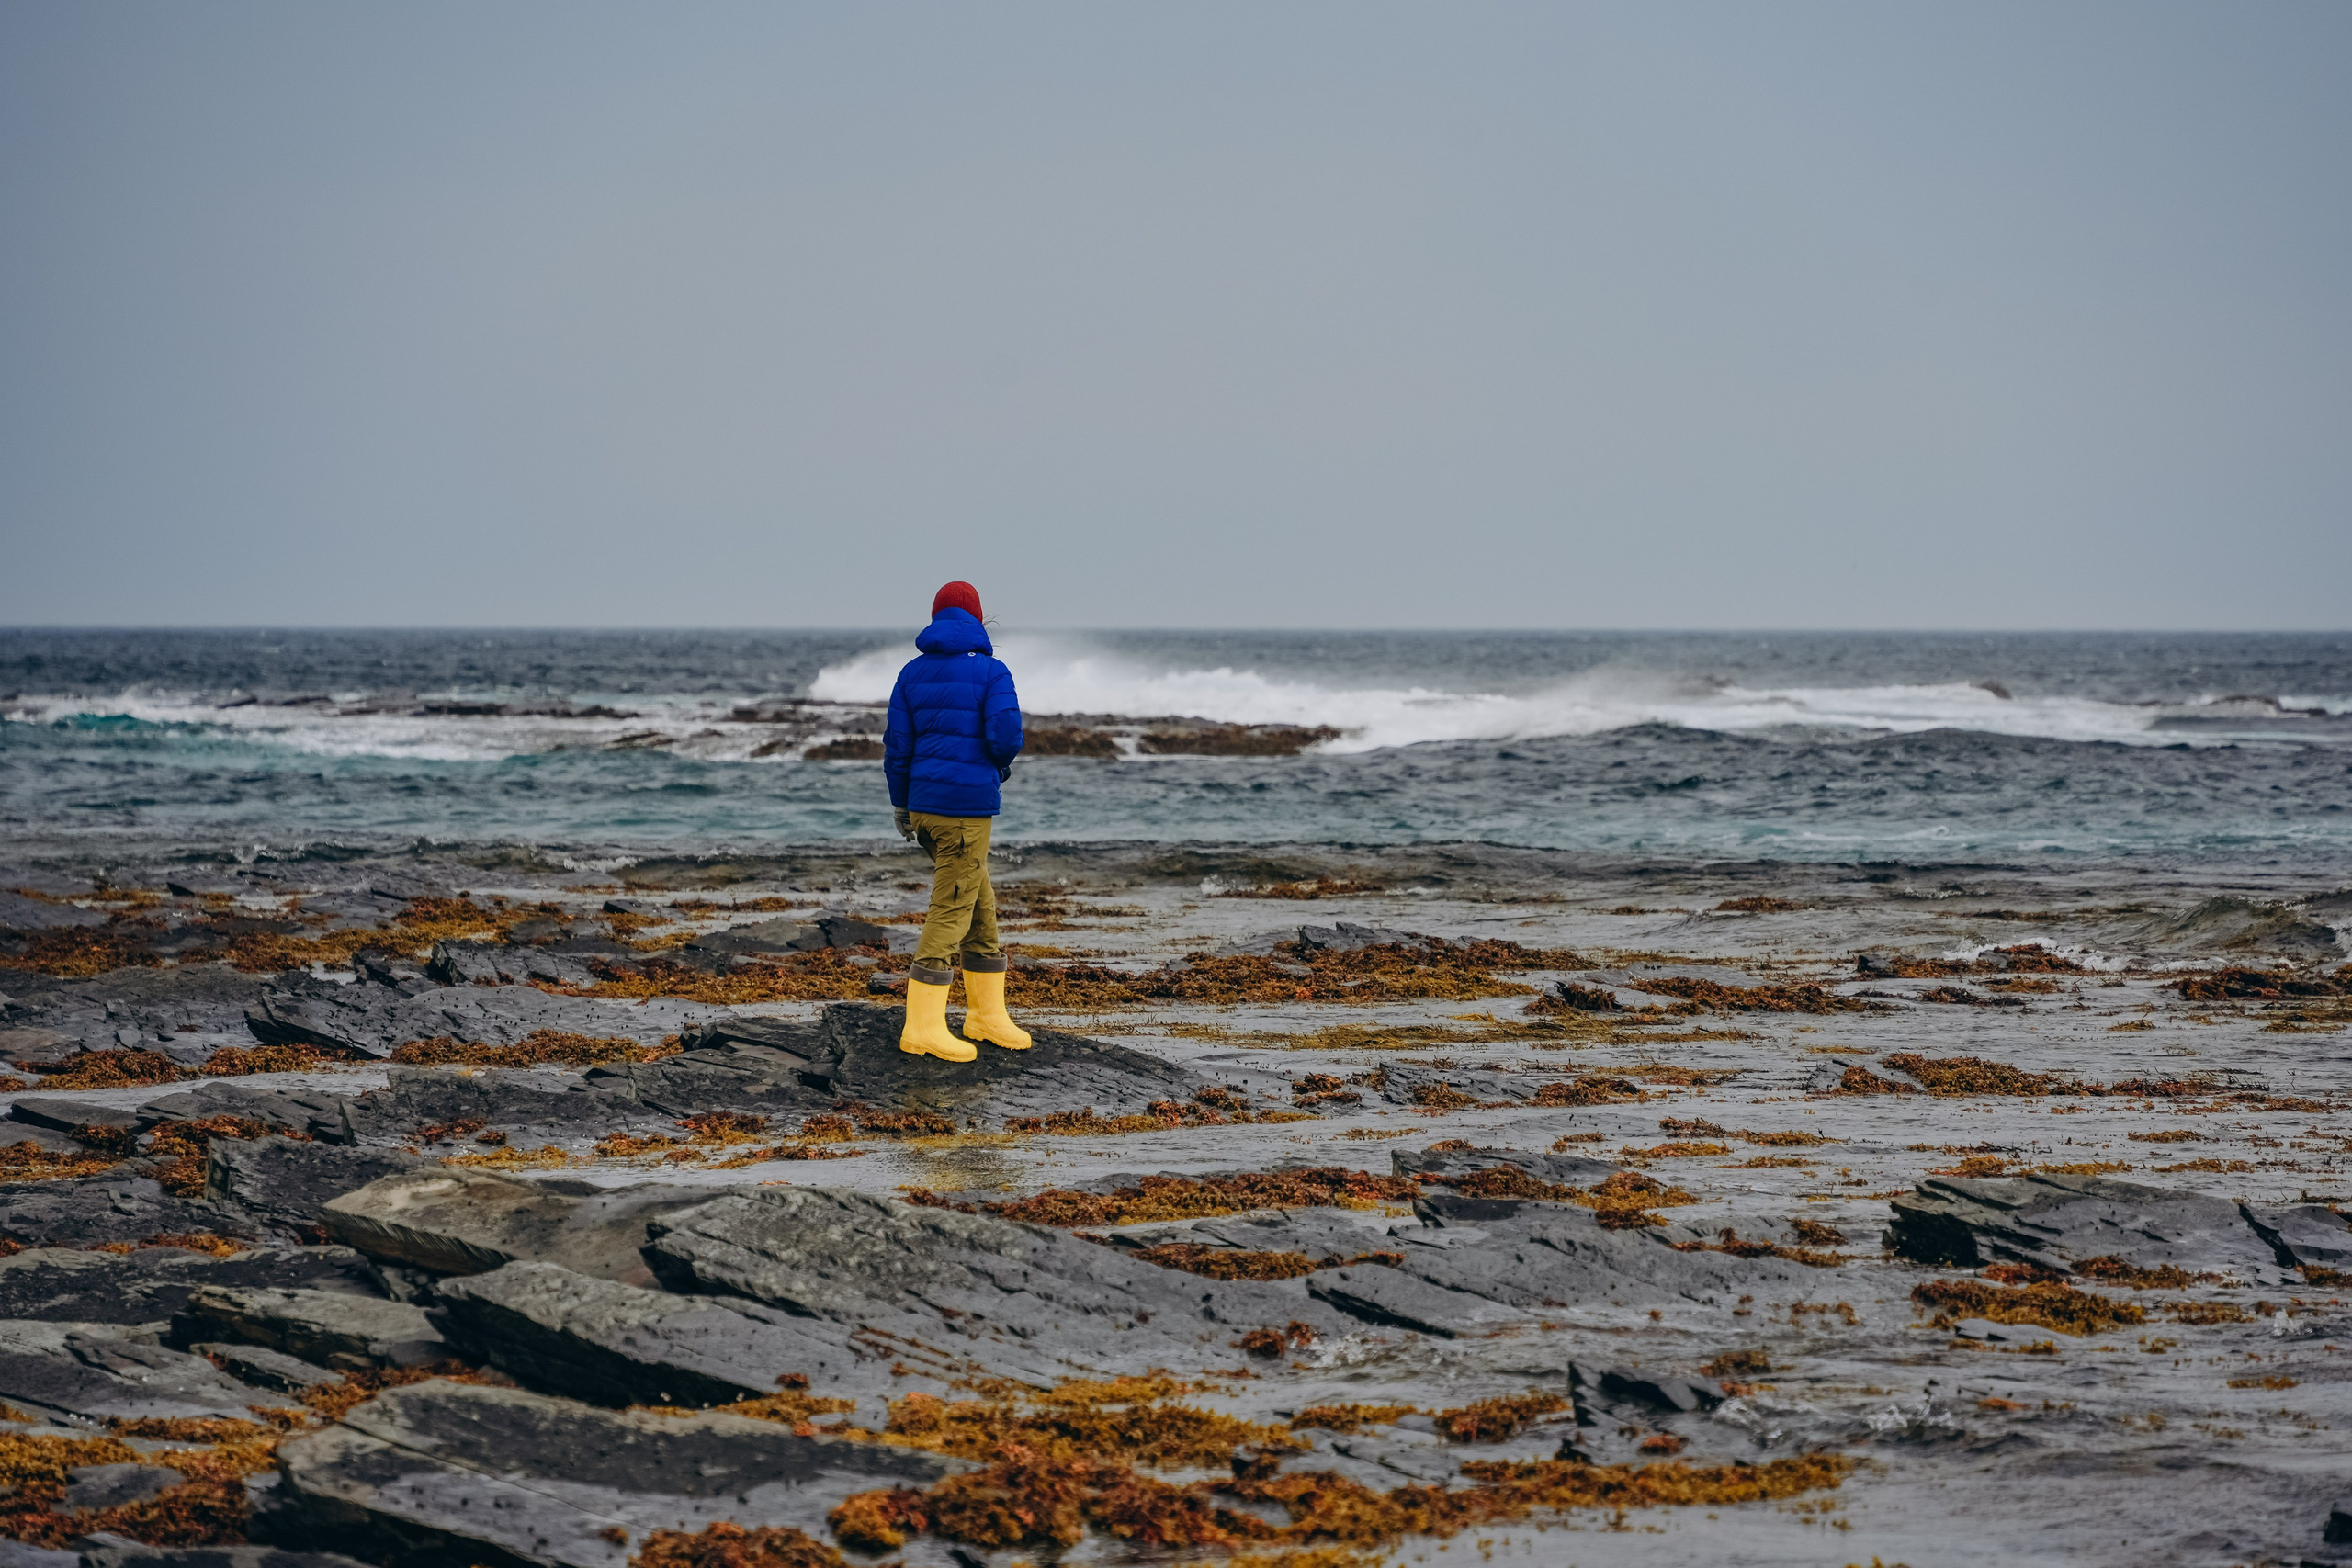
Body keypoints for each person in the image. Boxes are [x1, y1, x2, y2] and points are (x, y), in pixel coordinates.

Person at [884, 581, 1029, 1061]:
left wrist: (902, 806)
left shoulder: (911, 673)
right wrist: (999, 765)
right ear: (978, 621)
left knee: (979, 904)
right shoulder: (992, 671)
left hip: (925, 809)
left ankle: (987, 1016)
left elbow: (897, 747)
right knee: (951, 909)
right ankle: (922, 1026)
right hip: (964, 812)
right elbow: (1006, 733)